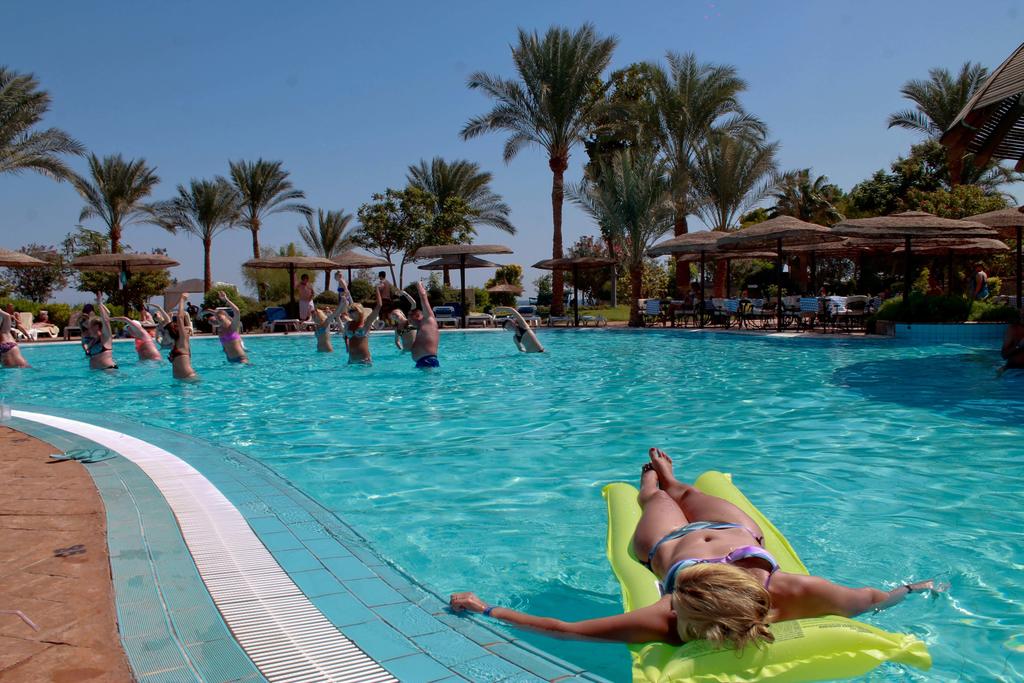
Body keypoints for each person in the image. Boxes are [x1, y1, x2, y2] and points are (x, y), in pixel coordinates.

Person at [451, 448, 943, 649]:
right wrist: (917, 588)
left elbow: (565, 629)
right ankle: (661, 477)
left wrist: (485, 607)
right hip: (728, 532)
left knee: (661, 501)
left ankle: (658, 484)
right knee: (672, 492)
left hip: (669, 543)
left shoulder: (671, 614)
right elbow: (874, 598)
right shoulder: (789, 589)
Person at [342, 282, 383, 364]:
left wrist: (377, 289)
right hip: (351, 361)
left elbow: (379, 306)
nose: (350, 313)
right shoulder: (348, 324)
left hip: (364, 361)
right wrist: (347, 345)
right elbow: (345, 336)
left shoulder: (366, 323)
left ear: (359, 311)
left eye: (353, 311)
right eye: (349, 311)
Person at [80, 295, 117, 370]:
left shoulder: (105, 338)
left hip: (108, 371)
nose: (88, 329)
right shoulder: (90, 343)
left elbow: (106, 319)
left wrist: (100, 303)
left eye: (90, 326)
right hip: (95, 374)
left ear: (96, 326)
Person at [209, 291, 248, 364]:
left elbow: (237, 311)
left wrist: (226, 299)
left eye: (220, 317)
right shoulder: (220, 330)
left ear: (226, 316)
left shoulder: (233, 326)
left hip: (241, 359)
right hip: (229, 360)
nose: (218, 318)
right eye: (217, 317)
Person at [408, 281, 439, 368]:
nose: (410, 323)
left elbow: (423, 297)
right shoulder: (420, 327)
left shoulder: (429, 319)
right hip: (422, 362)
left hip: (428, 361)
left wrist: (418, 284)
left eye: (410, 320)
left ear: (417, 316)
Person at [167, 295, 197, 380]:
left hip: (188, 377)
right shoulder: (176, 343)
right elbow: (179, 318)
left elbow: (180, 317)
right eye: (185, 329)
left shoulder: (182, 340)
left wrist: (182, 300)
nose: (187, 330)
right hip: (178, 379)